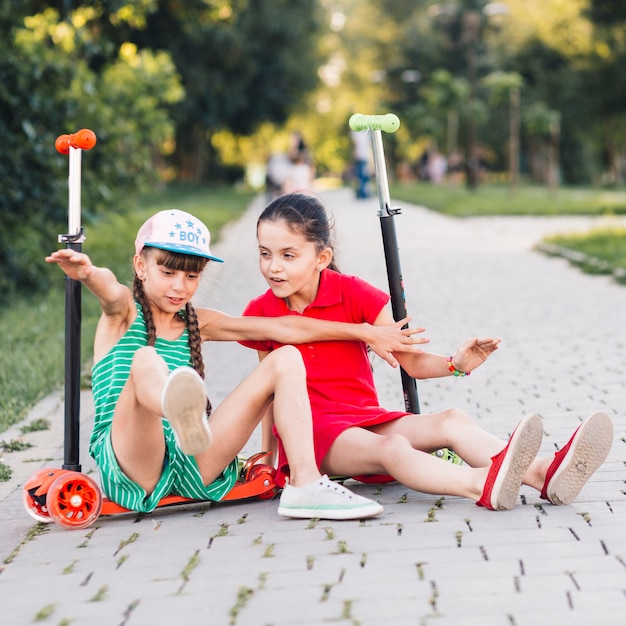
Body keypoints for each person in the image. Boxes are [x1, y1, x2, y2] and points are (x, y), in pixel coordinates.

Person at [239, 193, 614, 511]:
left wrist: (456, 364)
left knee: (452, 419)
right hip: (316, 435)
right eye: (265, 254)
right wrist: (269, 461)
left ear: (321, 258)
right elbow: (270, 395)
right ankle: (481, 484)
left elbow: (411, 361)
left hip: (366, 417)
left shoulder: (352, 292)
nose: (273, 267)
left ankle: (542, 475)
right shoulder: (260, 311)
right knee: (393, 448)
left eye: (288, 255)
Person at [45, 209, 425, 520]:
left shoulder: (199, 321)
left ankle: (306, 486)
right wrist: (88, 274)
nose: (179, 286)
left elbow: (286, 327)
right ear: (140, 267)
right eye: (168, 272)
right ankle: (174, 406)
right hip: (135, 463)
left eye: (191, 276)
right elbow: (111, 291)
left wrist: (363, 332)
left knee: (285, 358)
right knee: (146, 360)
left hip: (193, 460)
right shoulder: (123, 316)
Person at [350, 128, 371, 199]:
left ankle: (362, 192)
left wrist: (356, 154)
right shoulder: (365, 132)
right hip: (366, 156)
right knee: (364, 175)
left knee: (360, 176)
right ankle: (364, 191)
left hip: (360, 156)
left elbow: (357, 144)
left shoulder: (355, 133)